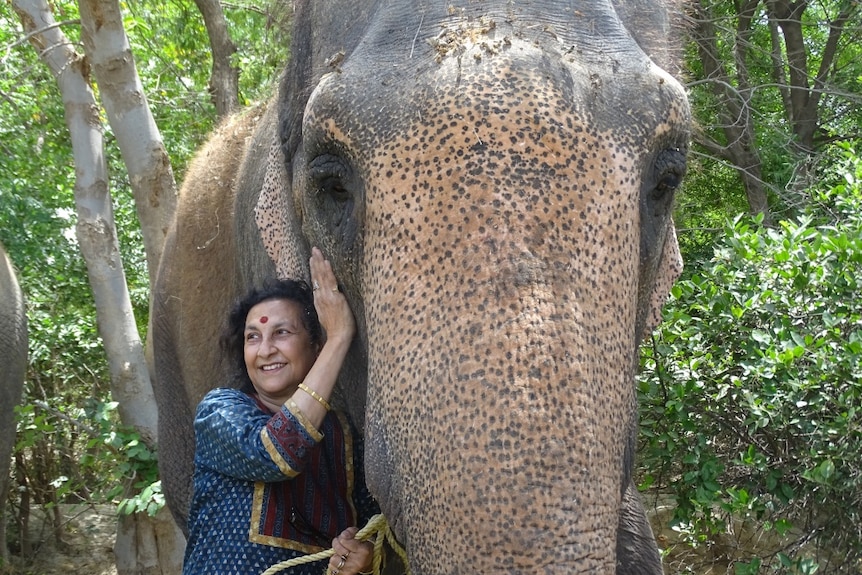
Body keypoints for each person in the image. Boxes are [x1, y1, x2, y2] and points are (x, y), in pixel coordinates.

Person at [182, 247, 378, 575]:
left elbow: (375, 525)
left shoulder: (343, 436)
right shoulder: (220, 411)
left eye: (282, 333)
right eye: (252, 337)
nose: (265, 349)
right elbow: (275, 452)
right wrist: (340, 336)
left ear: (314, 345)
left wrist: (364, 553)